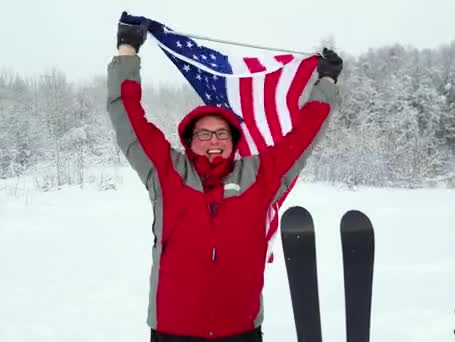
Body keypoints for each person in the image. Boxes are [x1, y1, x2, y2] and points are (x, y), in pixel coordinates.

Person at [106, 14, 343, 342]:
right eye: (203, 133)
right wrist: (127, 50)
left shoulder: (260, 176)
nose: (213, 140)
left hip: (241, 331)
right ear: (189, 141)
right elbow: (127, 115)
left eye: (221, 134)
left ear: (234, 142)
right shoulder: (165, 172)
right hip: (174, 330)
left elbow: (304, 136)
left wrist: (326, 84)